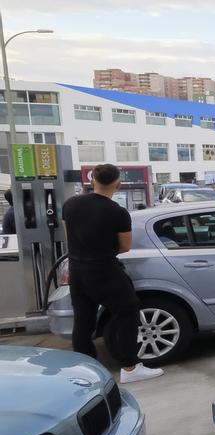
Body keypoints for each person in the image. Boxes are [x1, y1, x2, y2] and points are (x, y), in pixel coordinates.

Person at [61, 163, 163, 383]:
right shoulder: (117, 212)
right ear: (118, 184)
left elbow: (70, 234)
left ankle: (86, 371)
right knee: (127, 310)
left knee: (83, 320)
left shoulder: (70, 204)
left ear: (91, 181)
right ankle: (130, 367)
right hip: (104, 270)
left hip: (77, 271)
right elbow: (124, 246)